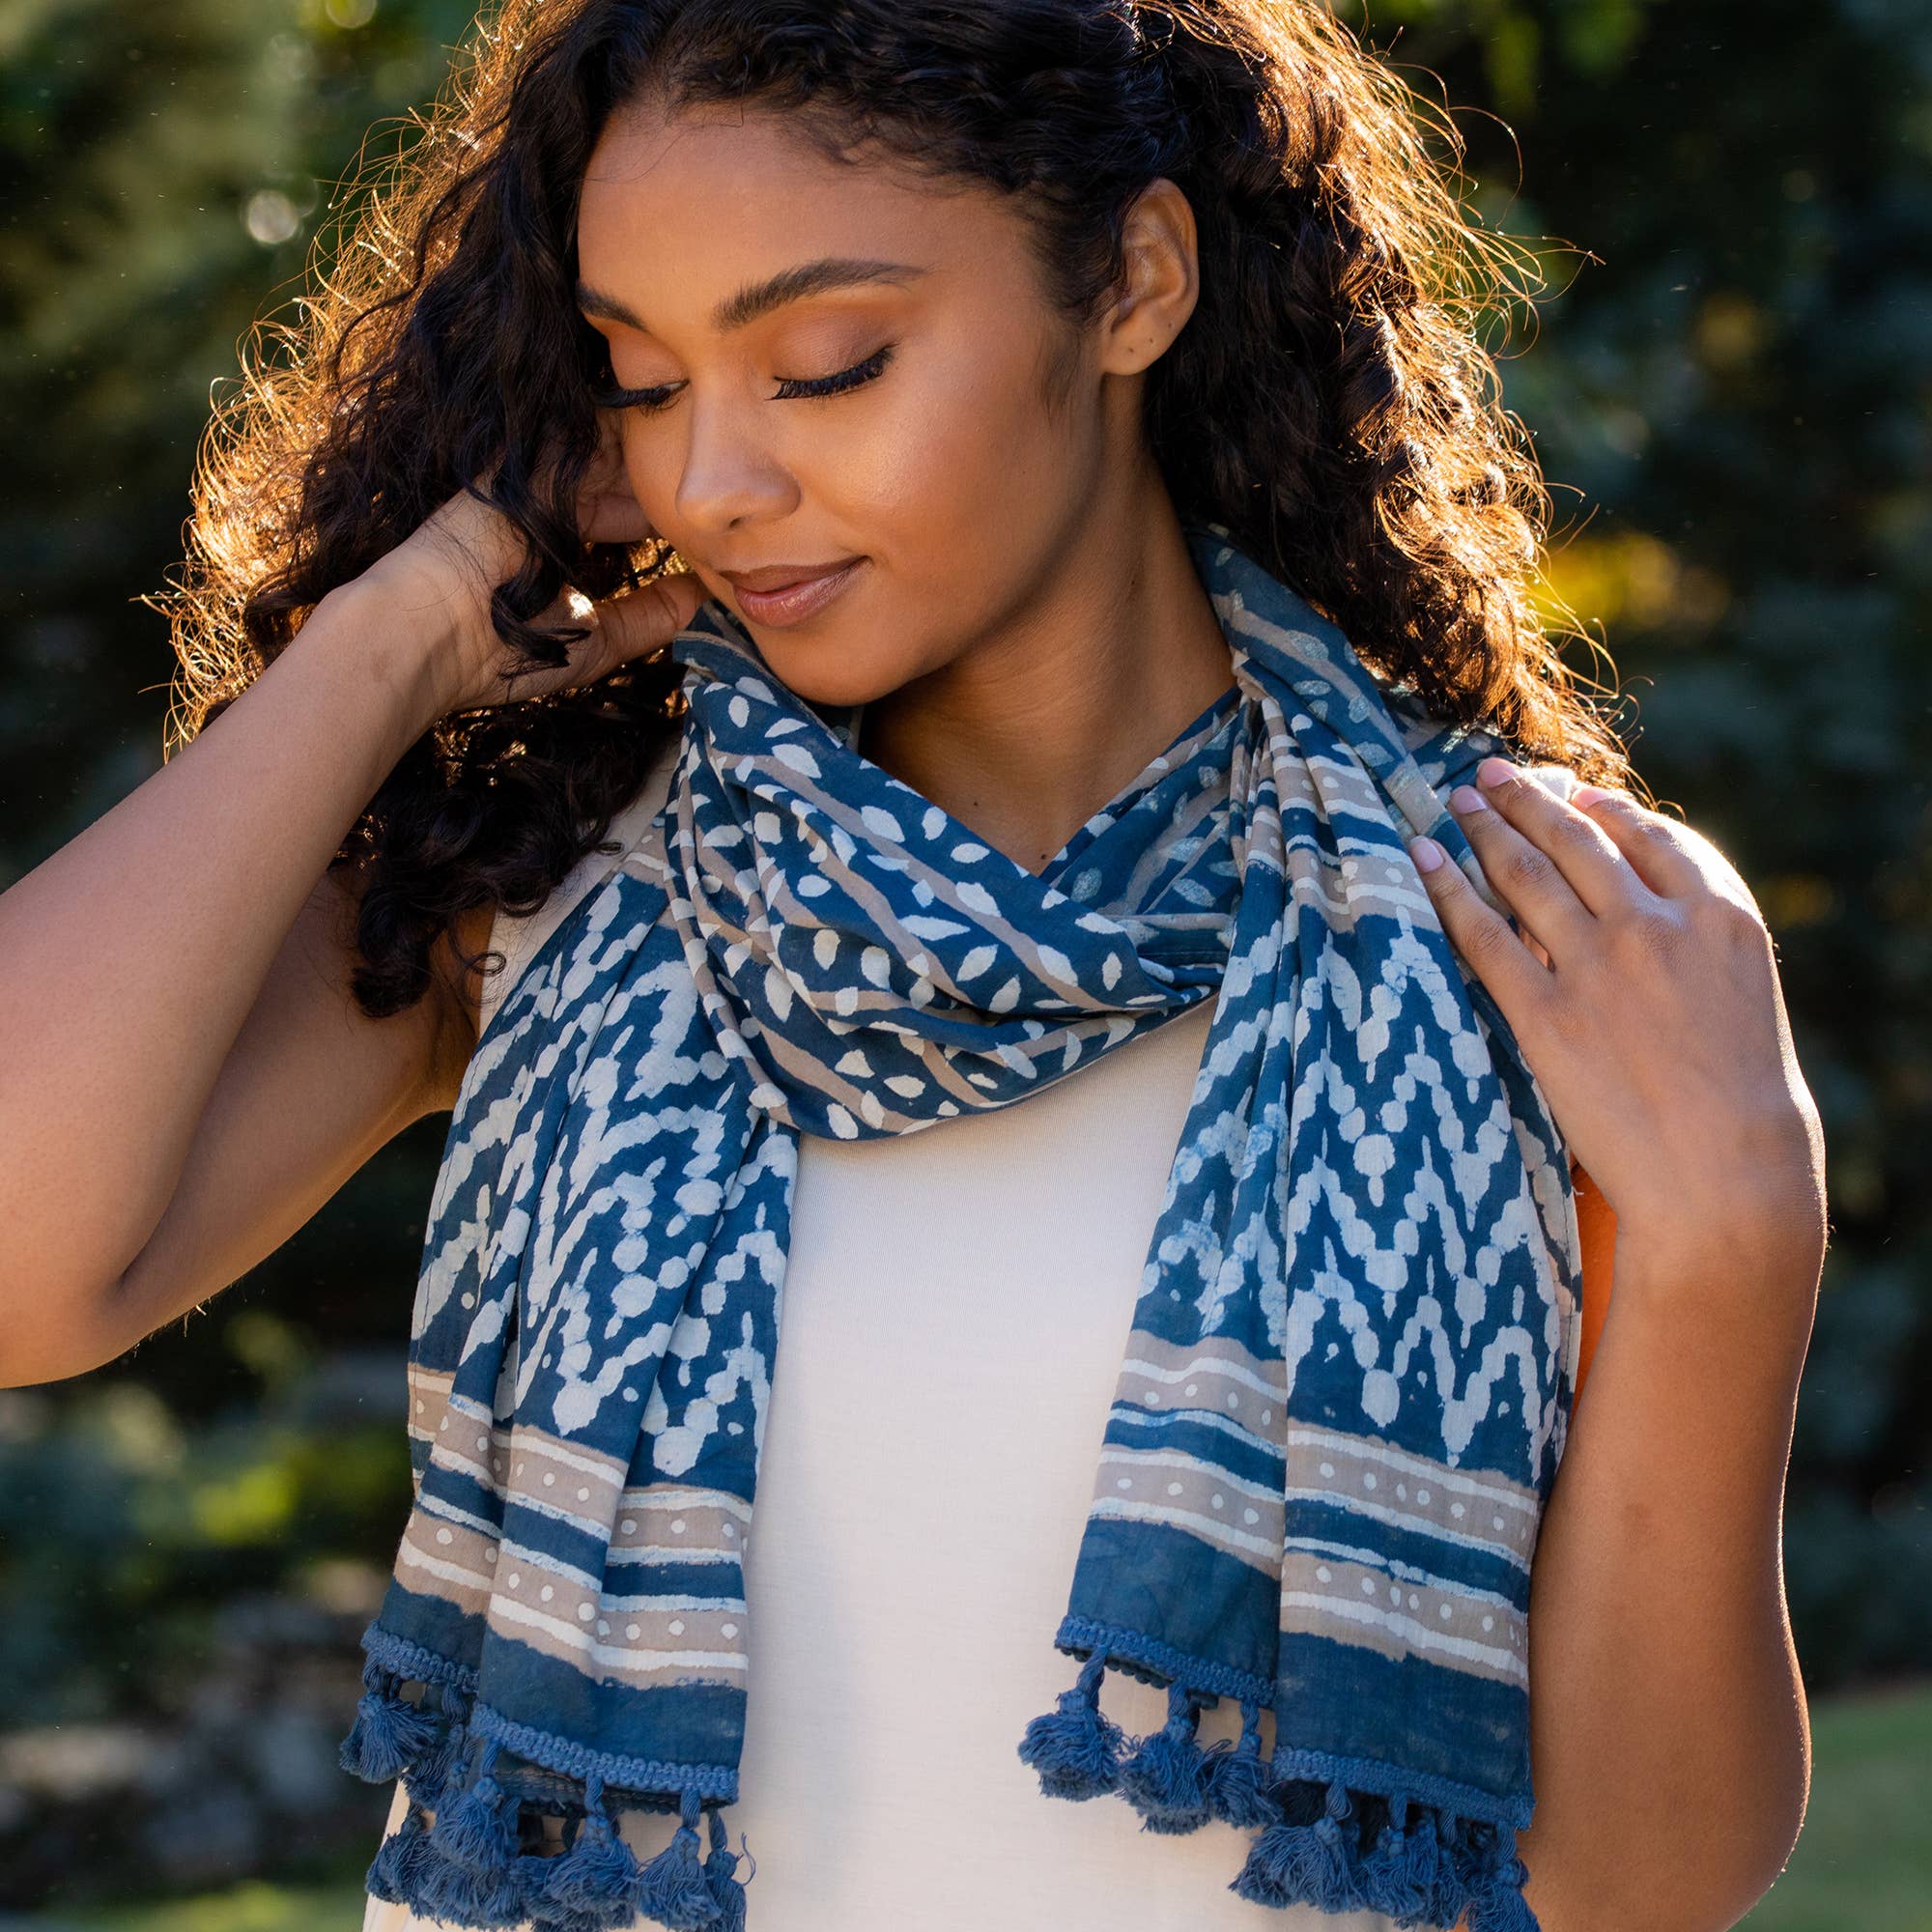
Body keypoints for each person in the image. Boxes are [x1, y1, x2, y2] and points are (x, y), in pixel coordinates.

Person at [0, 3, 1827, 1930]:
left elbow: (1640, 1877)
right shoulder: (557, 887)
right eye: (637, 380)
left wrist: (1731, 1242)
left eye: (824, 363)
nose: (714, 480)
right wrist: (403, 630)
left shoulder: (1528, 920)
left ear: (1131, 280)